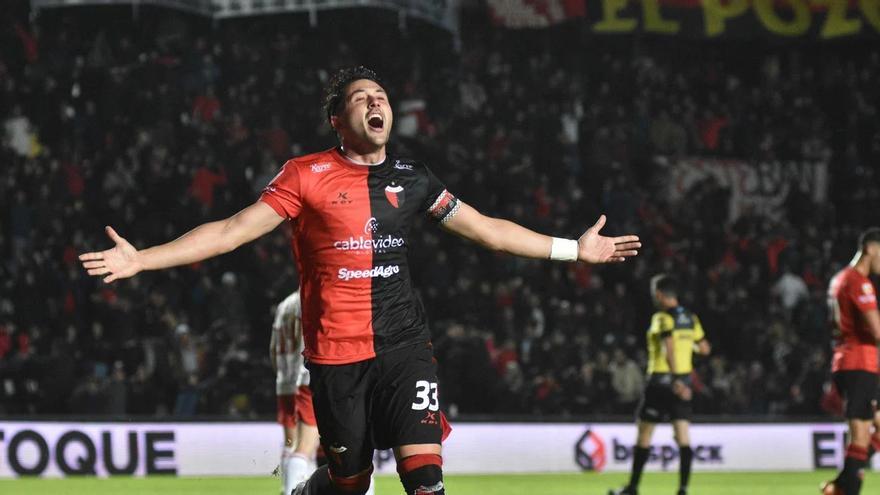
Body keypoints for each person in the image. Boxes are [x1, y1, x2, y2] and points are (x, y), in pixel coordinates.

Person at [79, 66, 641, 495]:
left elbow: (488, 230)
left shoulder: (413, 178)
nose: (376, 104)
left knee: (424, 477)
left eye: (381, 98)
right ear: (337, 121)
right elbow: (230, 231)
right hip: (335, 355)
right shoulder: (304, 175)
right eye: (360, 99)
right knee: (350, 480)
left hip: (403, 344)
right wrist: (142, 260)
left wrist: (574, 249)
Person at [610, 274, 710, 495]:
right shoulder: (691, 318)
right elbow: (704, 349)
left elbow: (668, 347)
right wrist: (684, 373)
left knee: (644, 435)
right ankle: (683, 489)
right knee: (683, 436)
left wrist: (673, 378)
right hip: (682, 382)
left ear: (659, 294)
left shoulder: (661, 318)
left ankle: (633, 488)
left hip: (661, 383)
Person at [271, 290, 374, 495]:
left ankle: (288, 488)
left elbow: (274, 350)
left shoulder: (285, 305)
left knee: (294, 445)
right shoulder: (321, 295)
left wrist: (284, 376)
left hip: (287, 381)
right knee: (352, 446)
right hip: (319, 374)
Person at [821, 228, 880, 495]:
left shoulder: (839, 279)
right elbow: (877, 332)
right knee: (860, 436)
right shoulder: (859, 282)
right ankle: (842, 489)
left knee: (870, 432)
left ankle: (840, 485)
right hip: (859, 364)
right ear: (871, 249)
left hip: (848, 362)